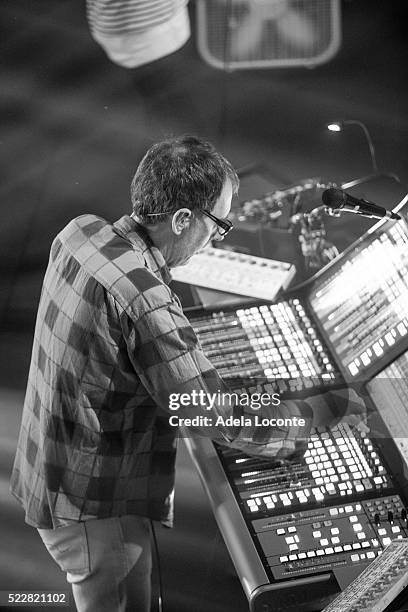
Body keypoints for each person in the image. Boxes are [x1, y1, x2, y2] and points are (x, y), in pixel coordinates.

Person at [10, 135, 366, 612]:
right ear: (181, 219)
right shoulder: (144, 299)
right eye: (218, 224)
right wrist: (311, 414)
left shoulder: (82, 231)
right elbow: (210, 413)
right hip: (92, 505)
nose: (217, 238)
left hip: (51, 471)